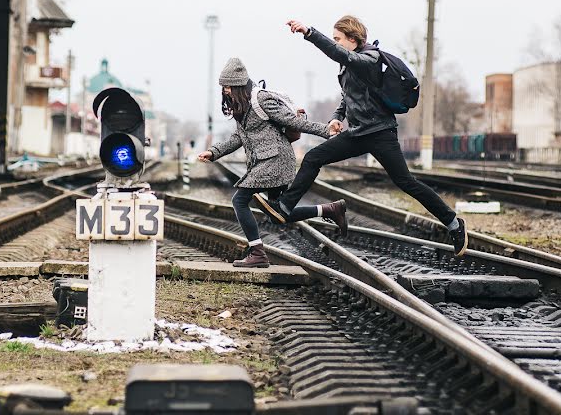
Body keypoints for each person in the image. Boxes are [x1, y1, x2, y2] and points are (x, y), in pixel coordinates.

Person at [252, 16, 469, 256]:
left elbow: (340, 55)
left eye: (338, 39)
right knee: (314, 157)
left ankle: (453, 223)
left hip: (379, 133)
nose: (336, 44)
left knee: (405, 182)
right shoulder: (350, 65)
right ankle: (284, 207)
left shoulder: (369, 58)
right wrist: (337, 116)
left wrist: (309, 32)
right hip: (357, 133)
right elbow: (348, 97)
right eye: (334, 39)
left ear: (353, 40)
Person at [198, 57, 348, 268]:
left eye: (228, 86)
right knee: (279, 213)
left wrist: (325, 130)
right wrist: (213, 152)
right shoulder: (241, 106)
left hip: (275, 160)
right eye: (223, 87)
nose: (225, 91)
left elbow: (291, 120)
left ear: (239, 85)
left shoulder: (261, 99)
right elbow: (237, 138)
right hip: (265, 162)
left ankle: (257, 252)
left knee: (239, 201)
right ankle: (330, 210)